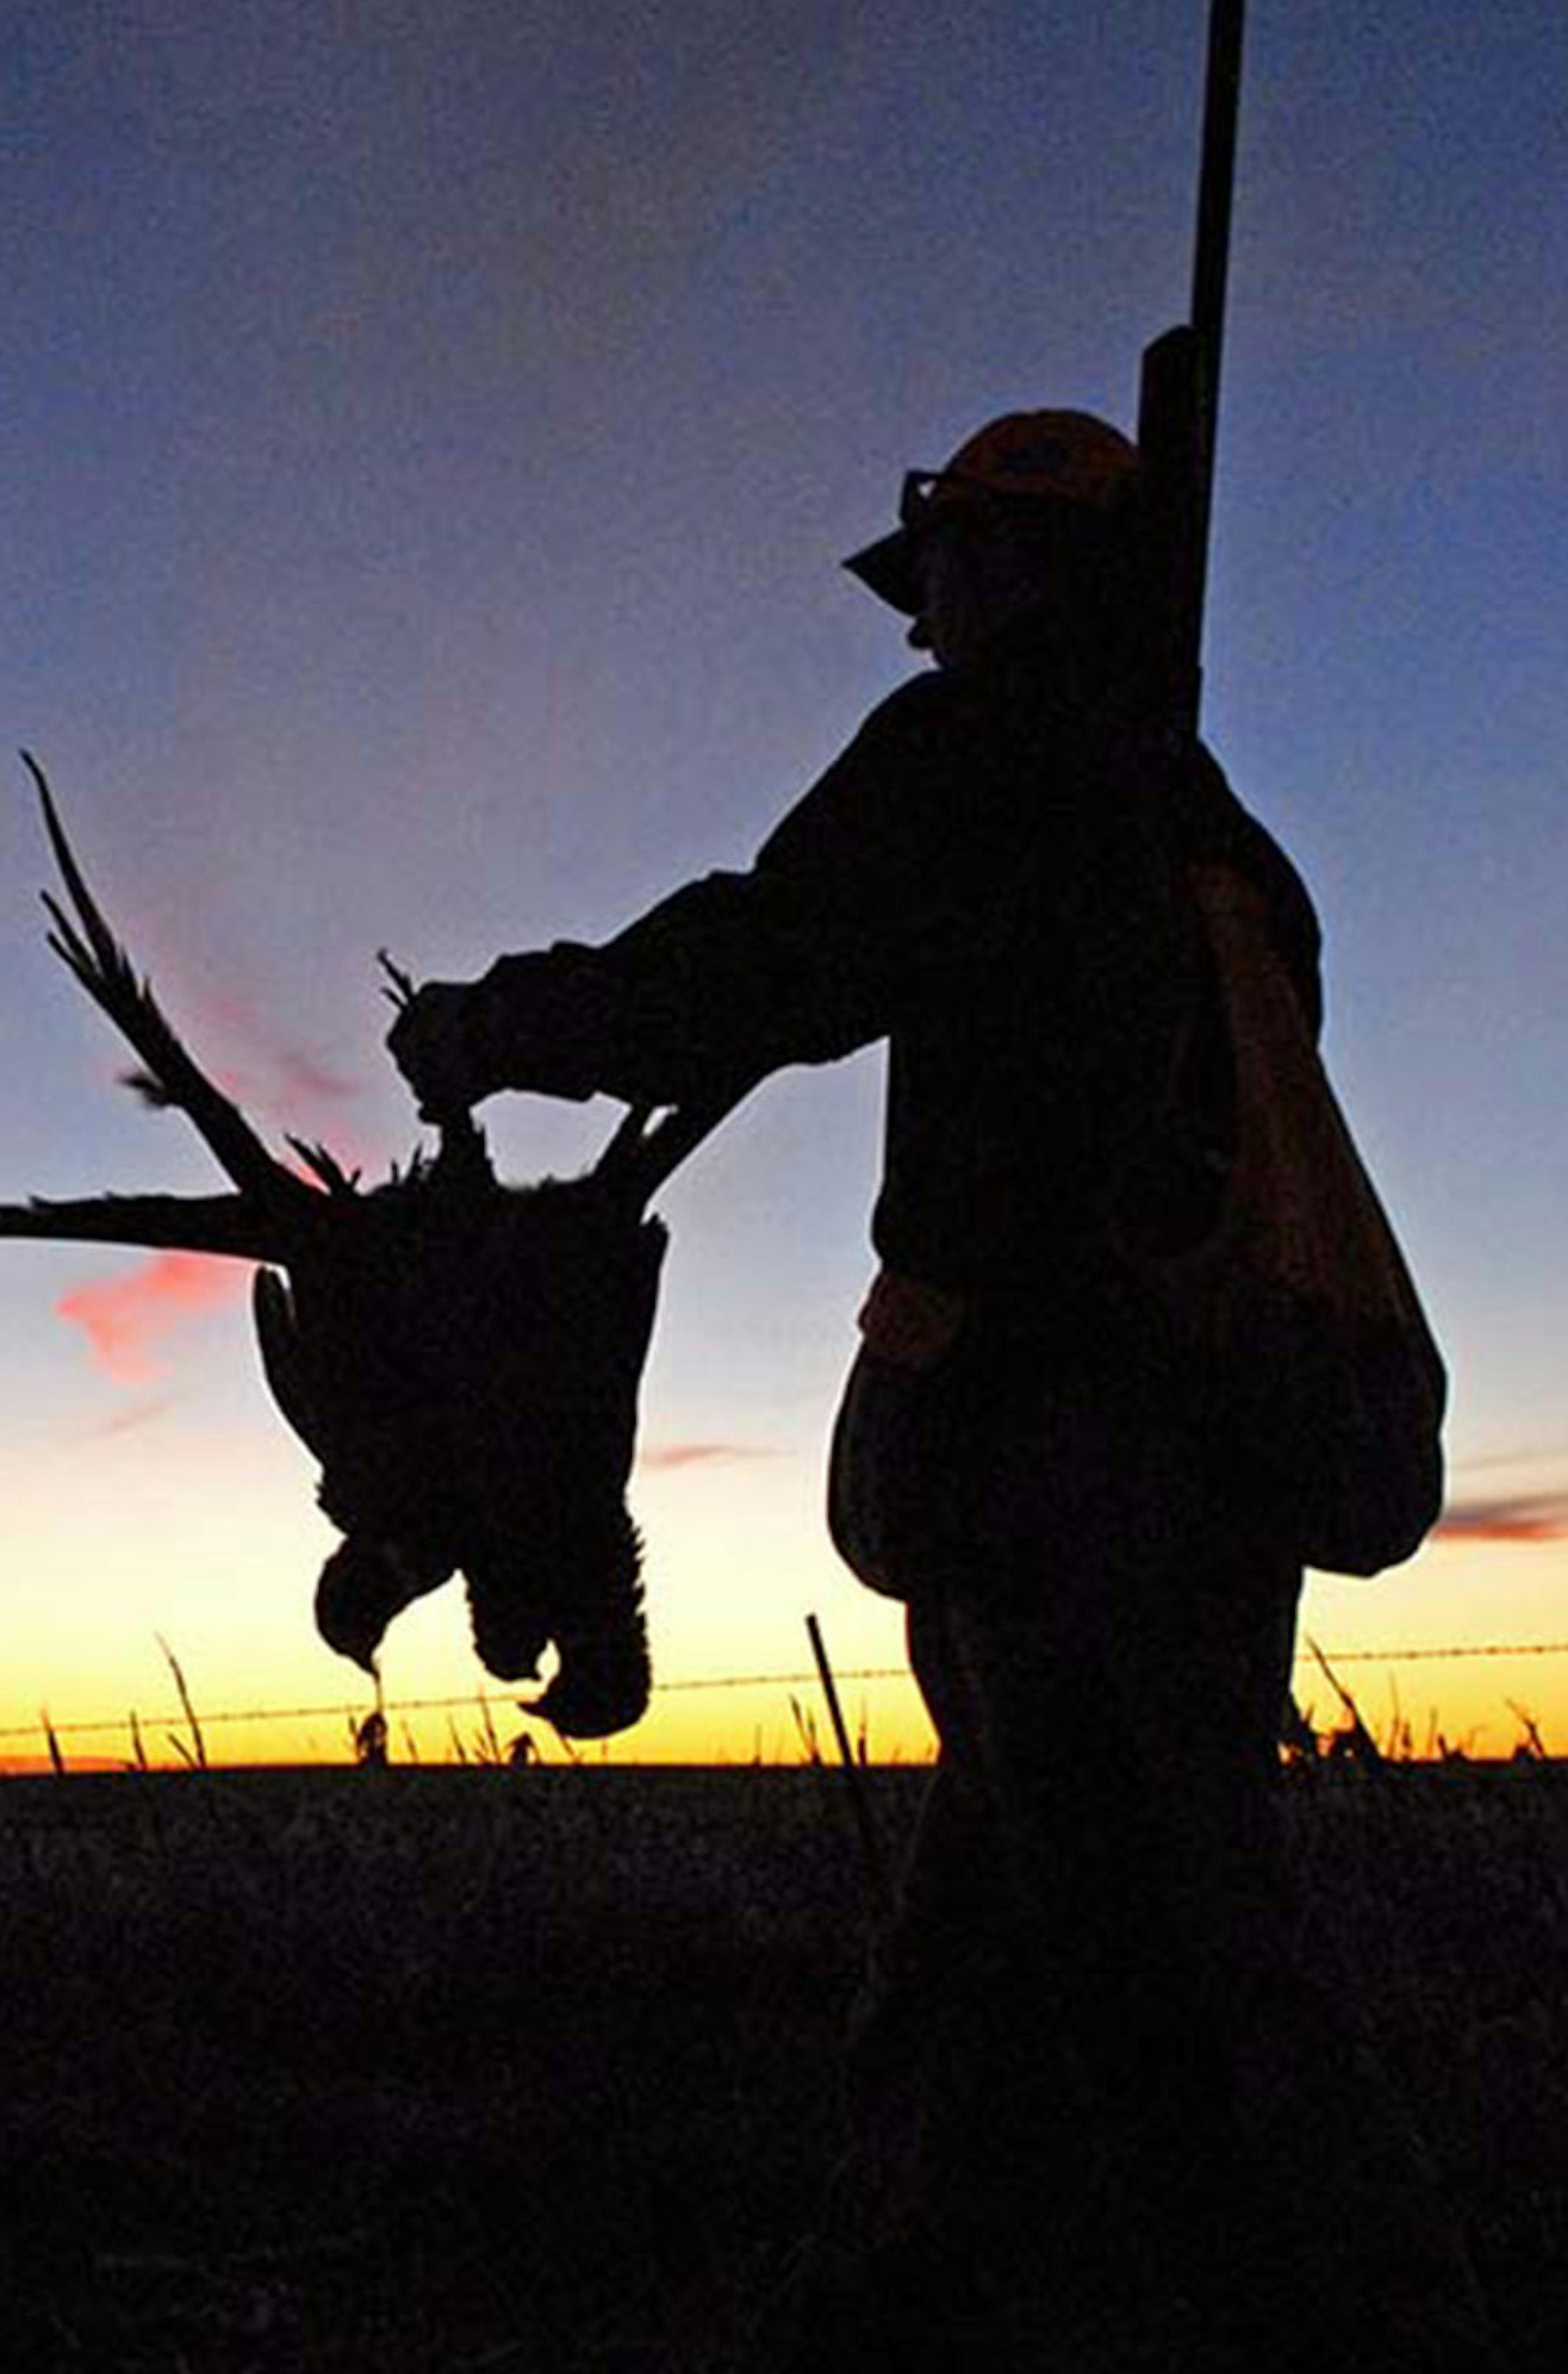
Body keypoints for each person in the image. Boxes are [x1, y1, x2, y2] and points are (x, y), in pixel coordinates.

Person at [388, 413, 1502, 2373]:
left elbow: (769, 958)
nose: (924, 630)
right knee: (1019, 1910)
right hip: (1207, 1448)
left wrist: (504, 1025)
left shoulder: (994, 756)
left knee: (1179, 1964)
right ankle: (911, 2287)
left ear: (1030, 568)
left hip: (1067, 1454)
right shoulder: (1220, 837)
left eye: (953, 575)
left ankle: (1343, 2319)